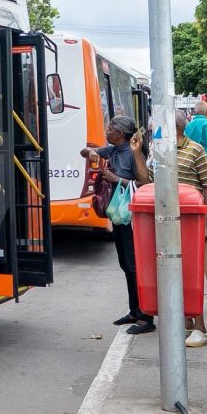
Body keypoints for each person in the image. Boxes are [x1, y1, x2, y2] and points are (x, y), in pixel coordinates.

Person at [86, 116, 154, 335]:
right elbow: (84, 152)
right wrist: (92, 153)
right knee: (125, 264)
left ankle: (145, 317)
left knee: (134, 265)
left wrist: (115, 179)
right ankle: (134, 310)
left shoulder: (133, 153)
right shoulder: (113, 149)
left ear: (121, 133)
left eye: (111, 129)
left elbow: (145, 183)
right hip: (119, 215)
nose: (107, 131)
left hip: (132, 216)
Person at [171, 126, 207, 348]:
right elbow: (147, 181)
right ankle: (187, 322)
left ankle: (201, 328)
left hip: (192, 220)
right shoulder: (161, 149)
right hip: (167, 220)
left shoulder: (195, 149)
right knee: (173, 272)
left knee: (192, 274)